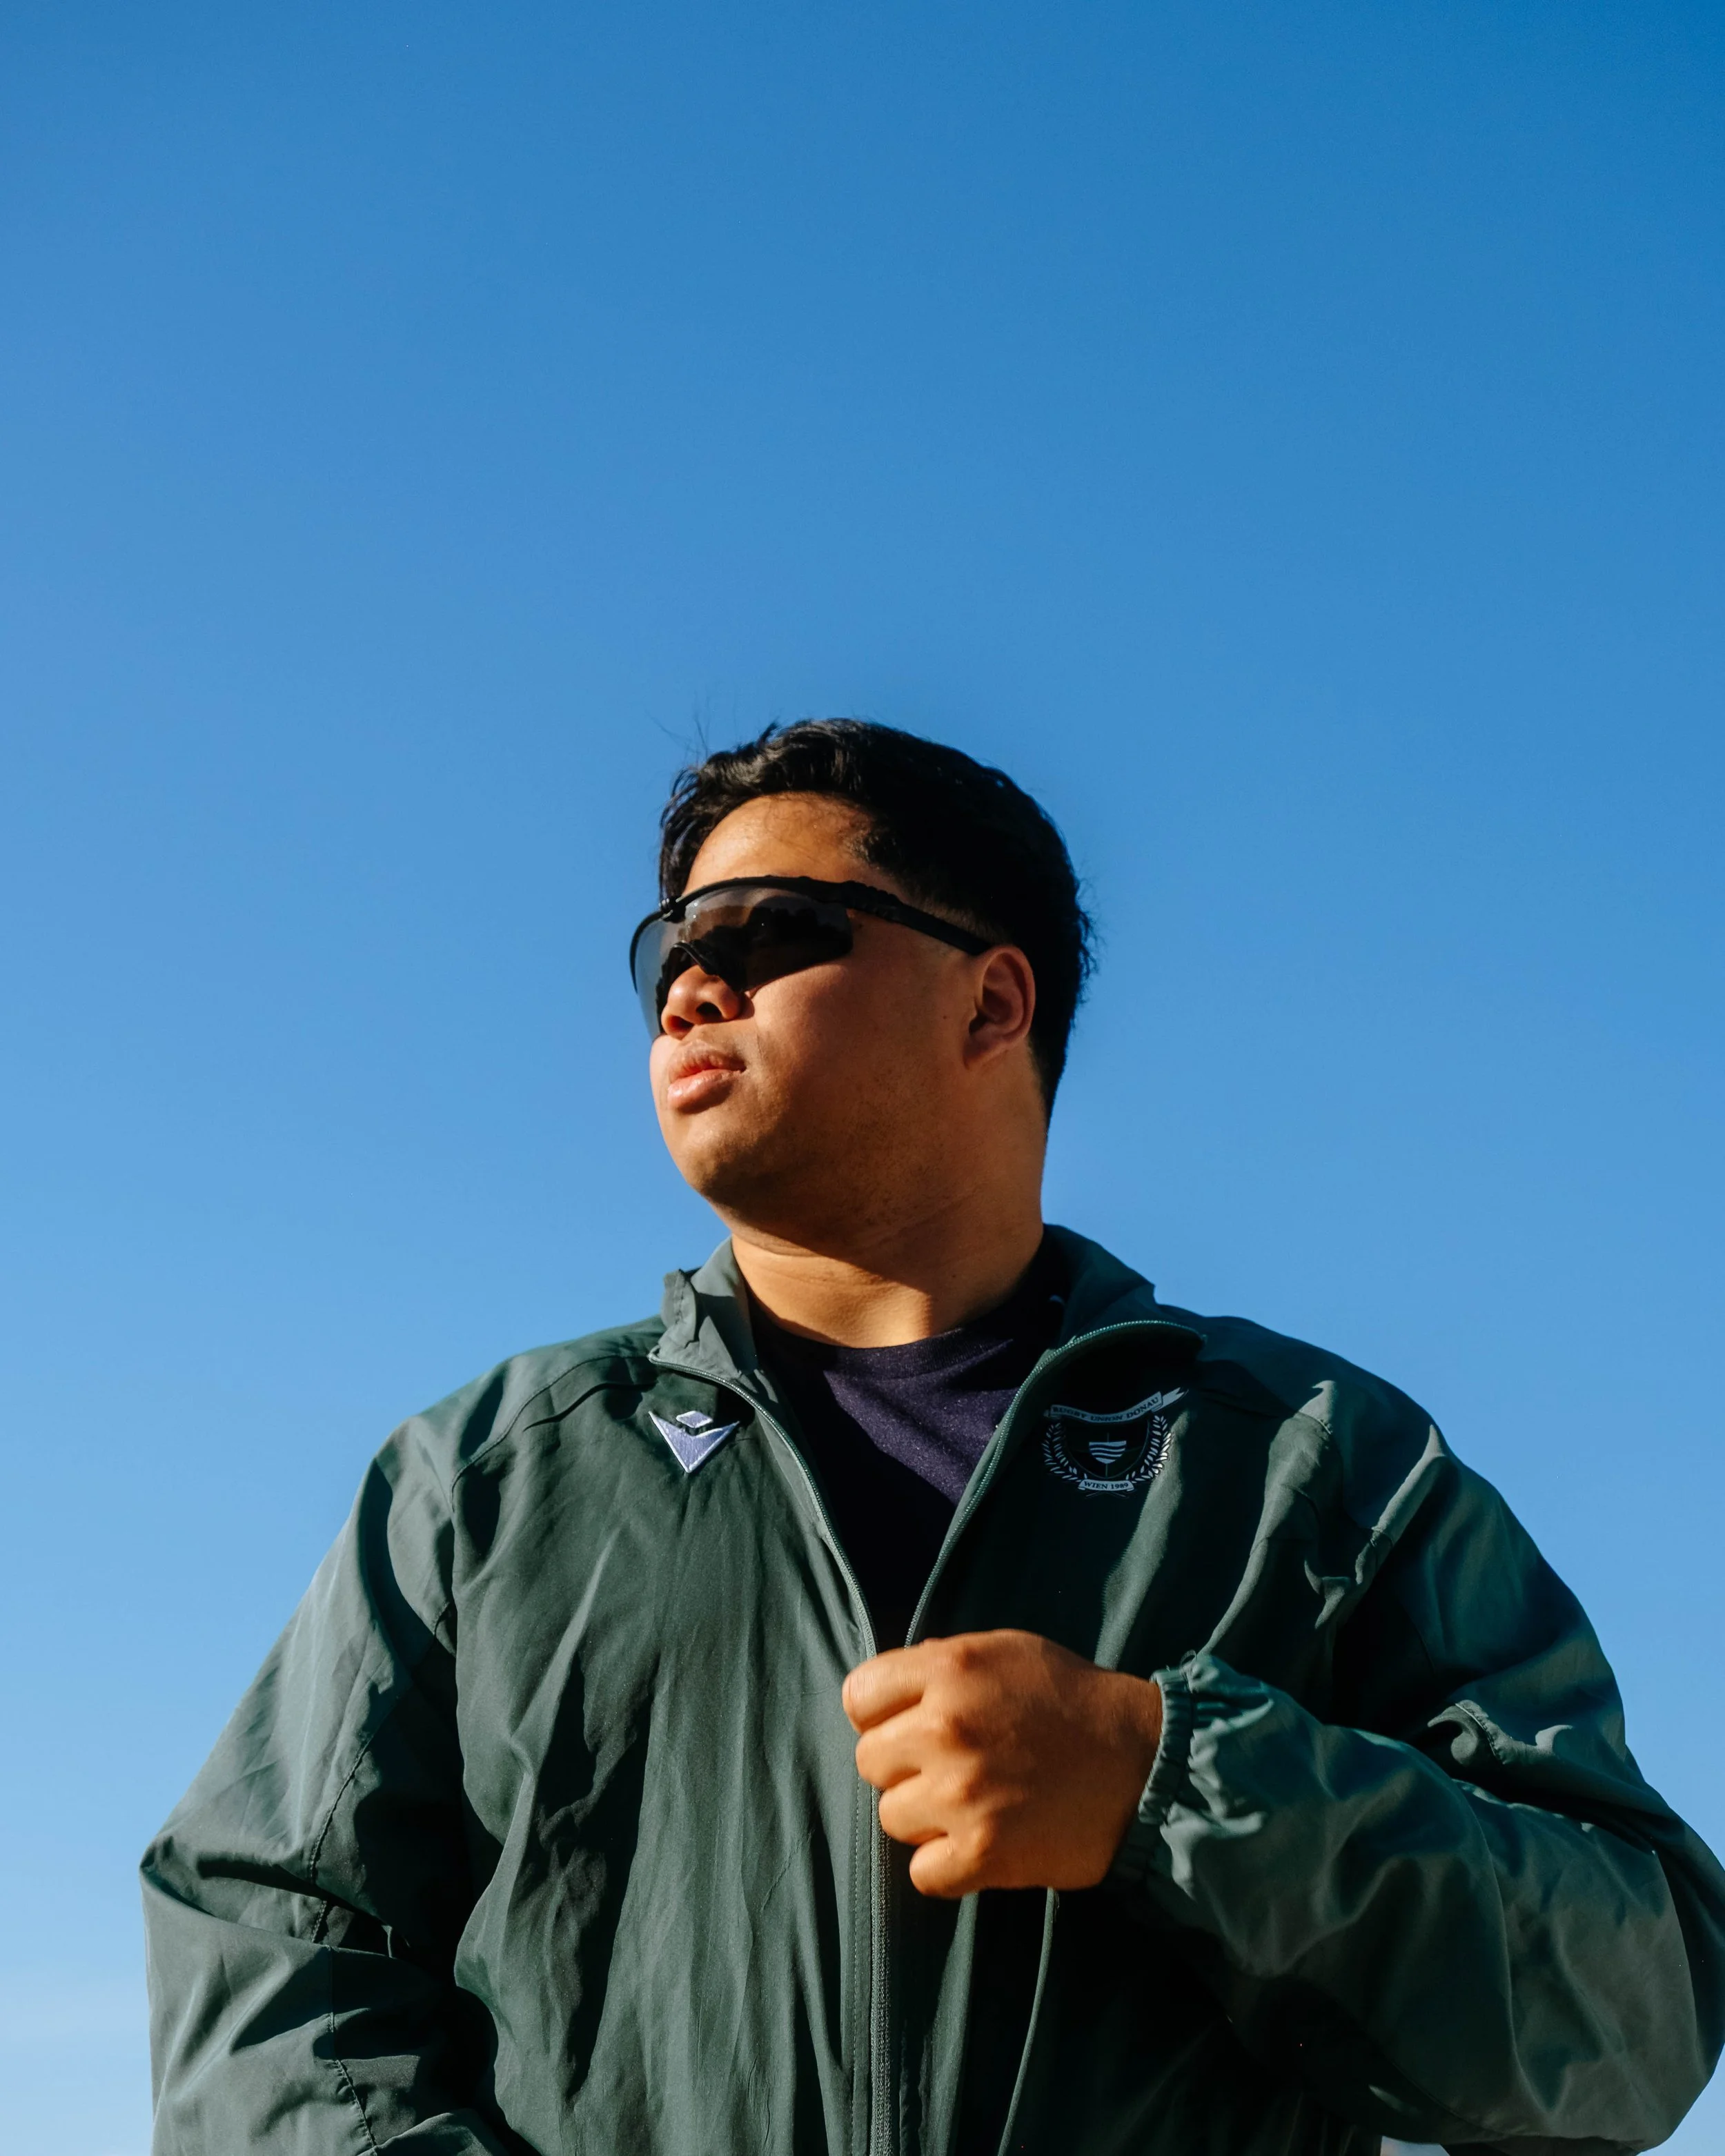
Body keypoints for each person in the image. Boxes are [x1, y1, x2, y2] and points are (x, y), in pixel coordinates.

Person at [143, 720, 1724, 2156]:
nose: (693, 983)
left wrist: (1169, 1782)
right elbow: (264, 1954)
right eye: (666, 955)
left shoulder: (1315, 1467)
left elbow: (1628, 2020)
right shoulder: (486, 1478)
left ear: (991, 997)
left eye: (769, 930)